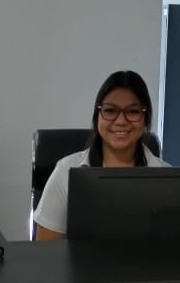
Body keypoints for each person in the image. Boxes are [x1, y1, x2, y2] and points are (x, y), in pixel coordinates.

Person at [33, 70, 167, 239]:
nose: (121, 121)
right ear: (97, 117)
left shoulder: (167, 177)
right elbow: (46, 248)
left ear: (146, 118)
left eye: (133, 111)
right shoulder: (66, 171)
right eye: (110, 111)